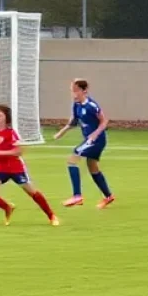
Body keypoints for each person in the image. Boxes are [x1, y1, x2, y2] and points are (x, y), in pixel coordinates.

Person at [0, 104, 59, 227]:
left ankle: (51, 215)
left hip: (15, 167)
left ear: (6, 119)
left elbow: (18, 151)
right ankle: (7, 207)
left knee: (32, 192)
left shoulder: (11, 133)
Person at [53, 79, 114, 209]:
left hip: (96, 140)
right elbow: (73, 122)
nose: (73, 94)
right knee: (93, 168)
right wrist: (61, 132)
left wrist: (95, 134)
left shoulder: (91, 105)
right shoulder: (76, 105)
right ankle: (108, 196)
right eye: (72, 91)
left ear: (84, 90)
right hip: (90, 140)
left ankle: (77, 196)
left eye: (76, 91)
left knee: (72, 160)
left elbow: (104, 121)